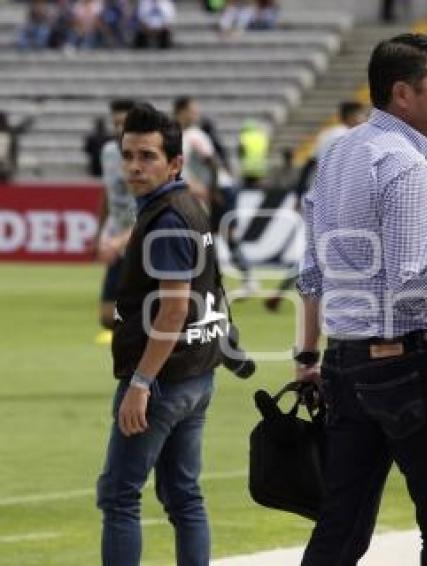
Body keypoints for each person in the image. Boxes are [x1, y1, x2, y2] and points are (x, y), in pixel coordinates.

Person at [294, 33, 427, 565]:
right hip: (408, 361)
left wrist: (308, 356)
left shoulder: (339, 152)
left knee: (341, 528)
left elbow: (310, 270)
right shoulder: (405, 165)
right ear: (402, 93)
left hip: (345, 361)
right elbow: (412, 286)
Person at [96, 102, 224, 566]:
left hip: (164, 378)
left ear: (174, 162)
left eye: (147, 156)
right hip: (197, 371)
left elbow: (172, 311)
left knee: (119, 496)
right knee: (184, 496)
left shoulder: (166, 219)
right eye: (128, 154)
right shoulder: (186, 204)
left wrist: (140, 383)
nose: (134, 165)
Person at [174, 96, 254, 294]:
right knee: (208, 236)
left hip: (220, 189)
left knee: (222, 235)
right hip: (212, 190)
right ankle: (218, 281)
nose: (195, 114)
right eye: (192, 110)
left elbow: (212, 162)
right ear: (180, 111)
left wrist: (214, 191)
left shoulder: (194, 135)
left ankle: (246, 280)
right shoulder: (184, 135)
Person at [93, 99, 136, 334]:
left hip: (145, 241)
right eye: (116, 124)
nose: (119, 129)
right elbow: (108, 194)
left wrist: (120, 240)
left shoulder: (147, 157)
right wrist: (98, 232)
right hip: (119, 239)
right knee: (107, 316)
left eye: (124, 124)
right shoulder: (109, 152)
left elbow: (152, 208)